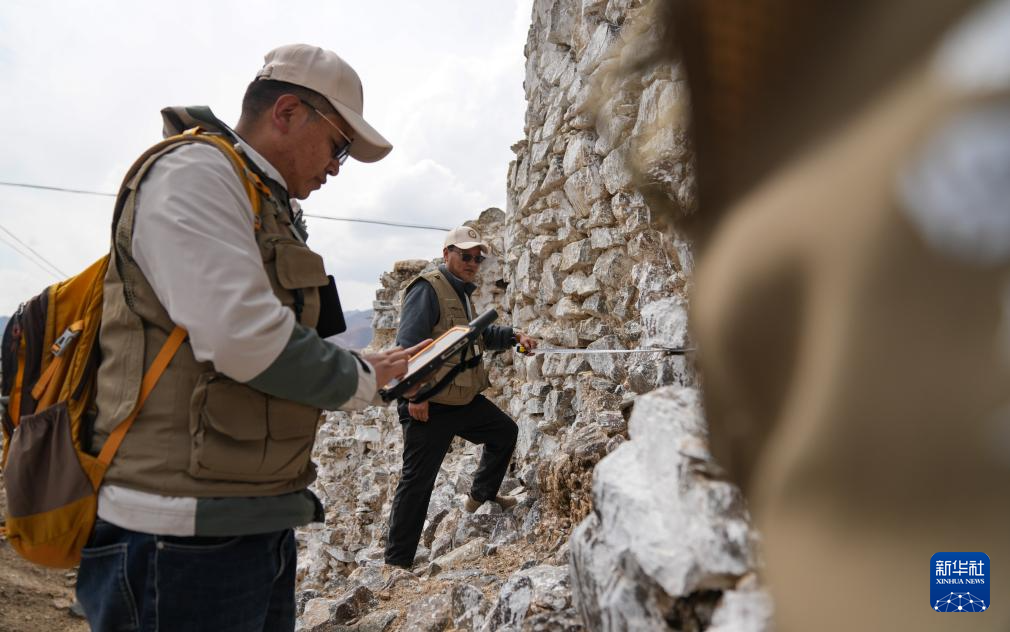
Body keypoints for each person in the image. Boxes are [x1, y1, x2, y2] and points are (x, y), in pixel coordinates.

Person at [75, 44, 427, 632]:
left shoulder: (260, 197)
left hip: (247, 521)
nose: (337, 166)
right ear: (287, 112)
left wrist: (363, 363)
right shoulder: (195, 173)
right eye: (338, 145)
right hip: (177, 537)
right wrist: (362, 377)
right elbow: (242, 337)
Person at [383, 226, 538, 569]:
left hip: (460, 399)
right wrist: (415, 395)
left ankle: (480, 497)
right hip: (429, 404)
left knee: (503, 432)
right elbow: (408, 346)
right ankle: (396, 564)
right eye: (465, 255)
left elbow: (474, 337)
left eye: (477, 258)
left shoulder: (461, 292)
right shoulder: (427, 289)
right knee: (417, 482)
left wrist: (514, 336)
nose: (472, 263)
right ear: (447, 254)